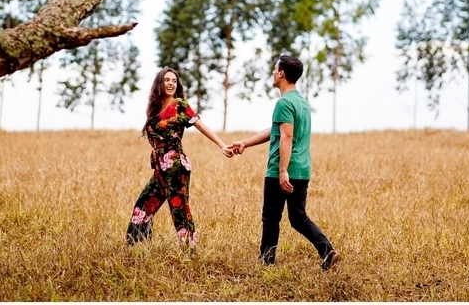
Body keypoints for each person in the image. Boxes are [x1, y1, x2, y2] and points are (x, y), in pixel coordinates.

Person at [230, 55, 340, 272]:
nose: (272, 73)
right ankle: (327, 250)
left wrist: (282, 171)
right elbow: (277, 131)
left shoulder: (283, 102)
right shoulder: (301, 102)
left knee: (271, 217)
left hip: (282, 170)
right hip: (302, 169)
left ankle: (266, 263)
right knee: (298, 217)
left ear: (281, 74)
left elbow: (287, 137)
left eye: (274, 69)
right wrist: (245, 143)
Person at [125, 67, 234, 250]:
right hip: (160, 167)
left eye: (174, 81)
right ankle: (136, 247)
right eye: (167, 80)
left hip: (175, 164)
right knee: (143, 205)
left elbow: (199, 124)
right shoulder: (154, 108)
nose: (170, 83)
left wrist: (222, 144)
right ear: (159, 83)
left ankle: (189, 250)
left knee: (179, 209)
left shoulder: (180, 105)